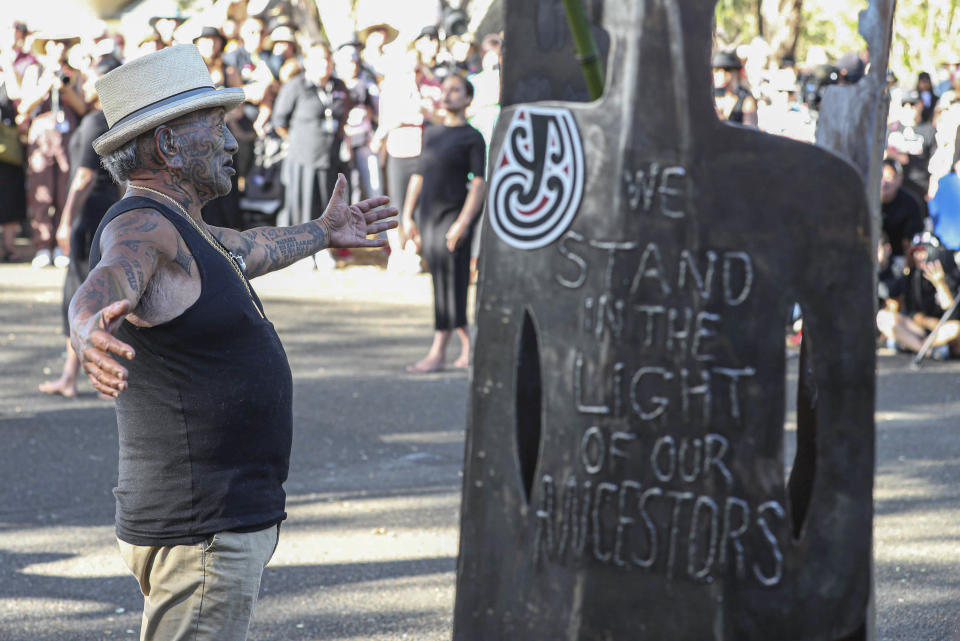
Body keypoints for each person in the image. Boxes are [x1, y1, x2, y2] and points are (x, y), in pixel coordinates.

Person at [68, 45, 396, 639]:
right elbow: (112, 276)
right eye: (215, 127)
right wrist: (87, 323)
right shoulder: (142, 225)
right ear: (167, 146)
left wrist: (324, 232)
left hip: (208, 526)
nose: (230, 142)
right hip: (201, 536)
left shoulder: (186, 227)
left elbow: (252, 246)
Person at [39, 55, 122, 398]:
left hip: (87, 215)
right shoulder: (117, 121)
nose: (82, 85)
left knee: (80, 297)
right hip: (104, 212)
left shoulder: (94, 121)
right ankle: (77, 376)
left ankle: (79, 378)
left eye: (88, 79)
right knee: (96, 295)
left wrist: (63, 220)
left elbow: (84, 176)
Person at [400, 74, 486, 372]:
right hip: (429, 217)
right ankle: (469, 346)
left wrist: (463, 223)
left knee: (455, 280)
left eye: (455, 90)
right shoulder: (433, 132)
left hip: (454, 216)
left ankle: (439, 351)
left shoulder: (472, 137)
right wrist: (407, 214)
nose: (448, 95)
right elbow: (419, 175)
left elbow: (478, 184)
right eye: (445, 90)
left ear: (468, 99)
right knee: (440, 279)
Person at [272, 41, 351, 269]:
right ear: (307, 62)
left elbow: (343, 115)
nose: (324, 64)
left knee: (328, 206)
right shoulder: (296, 86)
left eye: (327, 59)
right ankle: (302, 252)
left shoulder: (339, 86)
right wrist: (298, 142)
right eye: (318, 59)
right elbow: (280, 122)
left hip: (331, 158)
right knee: (303, 207)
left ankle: (324, 250)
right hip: (303, 159)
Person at [880, 157, 925, 257]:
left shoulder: (910, 204)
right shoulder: (867, 200)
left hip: (900, 257)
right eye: (881, 176)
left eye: (889, 177)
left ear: (899, 179)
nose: (884, 182)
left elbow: (912, 239)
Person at [712, 50, 757, 127]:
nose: (722, 75)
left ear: (736, 73)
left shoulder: (746, 100)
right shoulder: (710, 97)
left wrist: (721, 121)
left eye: (727, 70)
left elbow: (750, 131)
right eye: (717, 70)